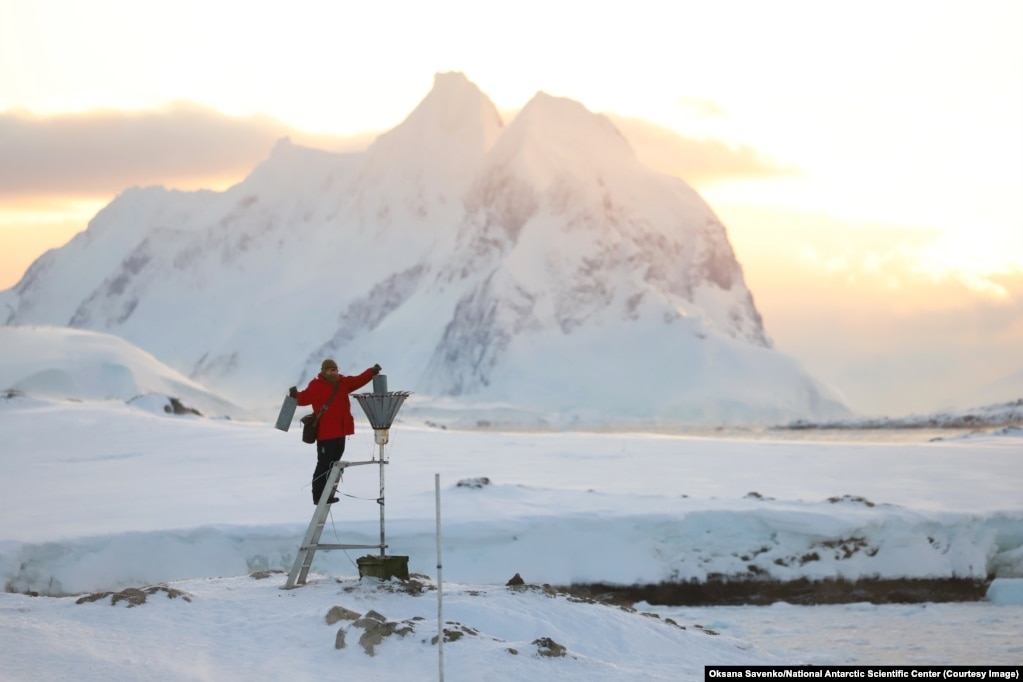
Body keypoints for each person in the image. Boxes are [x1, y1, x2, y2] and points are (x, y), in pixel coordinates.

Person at [290, 359, 381, 505]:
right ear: (324, 371)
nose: (334, 372)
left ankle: (328, 494)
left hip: (341, 433)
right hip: (326, 434)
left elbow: (359, 380)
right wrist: (295, 395)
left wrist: (372, 372)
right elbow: (303, 399)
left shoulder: (343, 383)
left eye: (335, 370)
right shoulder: (316, 385)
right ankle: (318, 496)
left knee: (334, 465)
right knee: (324, 465)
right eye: (330, 370)